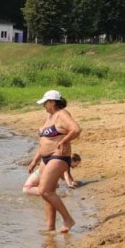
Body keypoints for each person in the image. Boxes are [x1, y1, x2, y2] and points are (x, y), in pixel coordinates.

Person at [28, 90, 81, 233]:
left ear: (52, 102)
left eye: (45, 103)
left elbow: (76, 129)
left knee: (44, 191)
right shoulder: (48, 116)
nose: (43, 105)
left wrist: (64, 141)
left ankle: (68, 219)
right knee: (48, 194)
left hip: (58, 156)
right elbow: (44, 140)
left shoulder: (62, 114)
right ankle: (50, 228)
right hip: (45, 158)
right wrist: (35, 161)